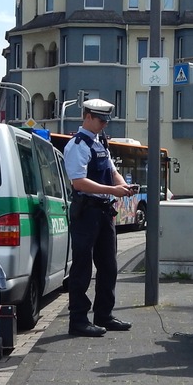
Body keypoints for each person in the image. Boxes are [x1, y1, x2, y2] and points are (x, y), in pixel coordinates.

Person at [63, 98, 138, 338]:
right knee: (82, 268)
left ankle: (104, 314)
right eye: (101, 119)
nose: (104, 124)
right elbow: (78, 181)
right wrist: (112, 191)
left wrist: (123, 185)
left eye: (106, 120)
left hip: (104, 211)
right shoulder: (78, 144)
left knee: (109, 266)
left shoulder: (99, 141)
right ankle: (78, 320)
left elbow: (112, 171)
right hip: (87, 211)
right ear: (87, 117)